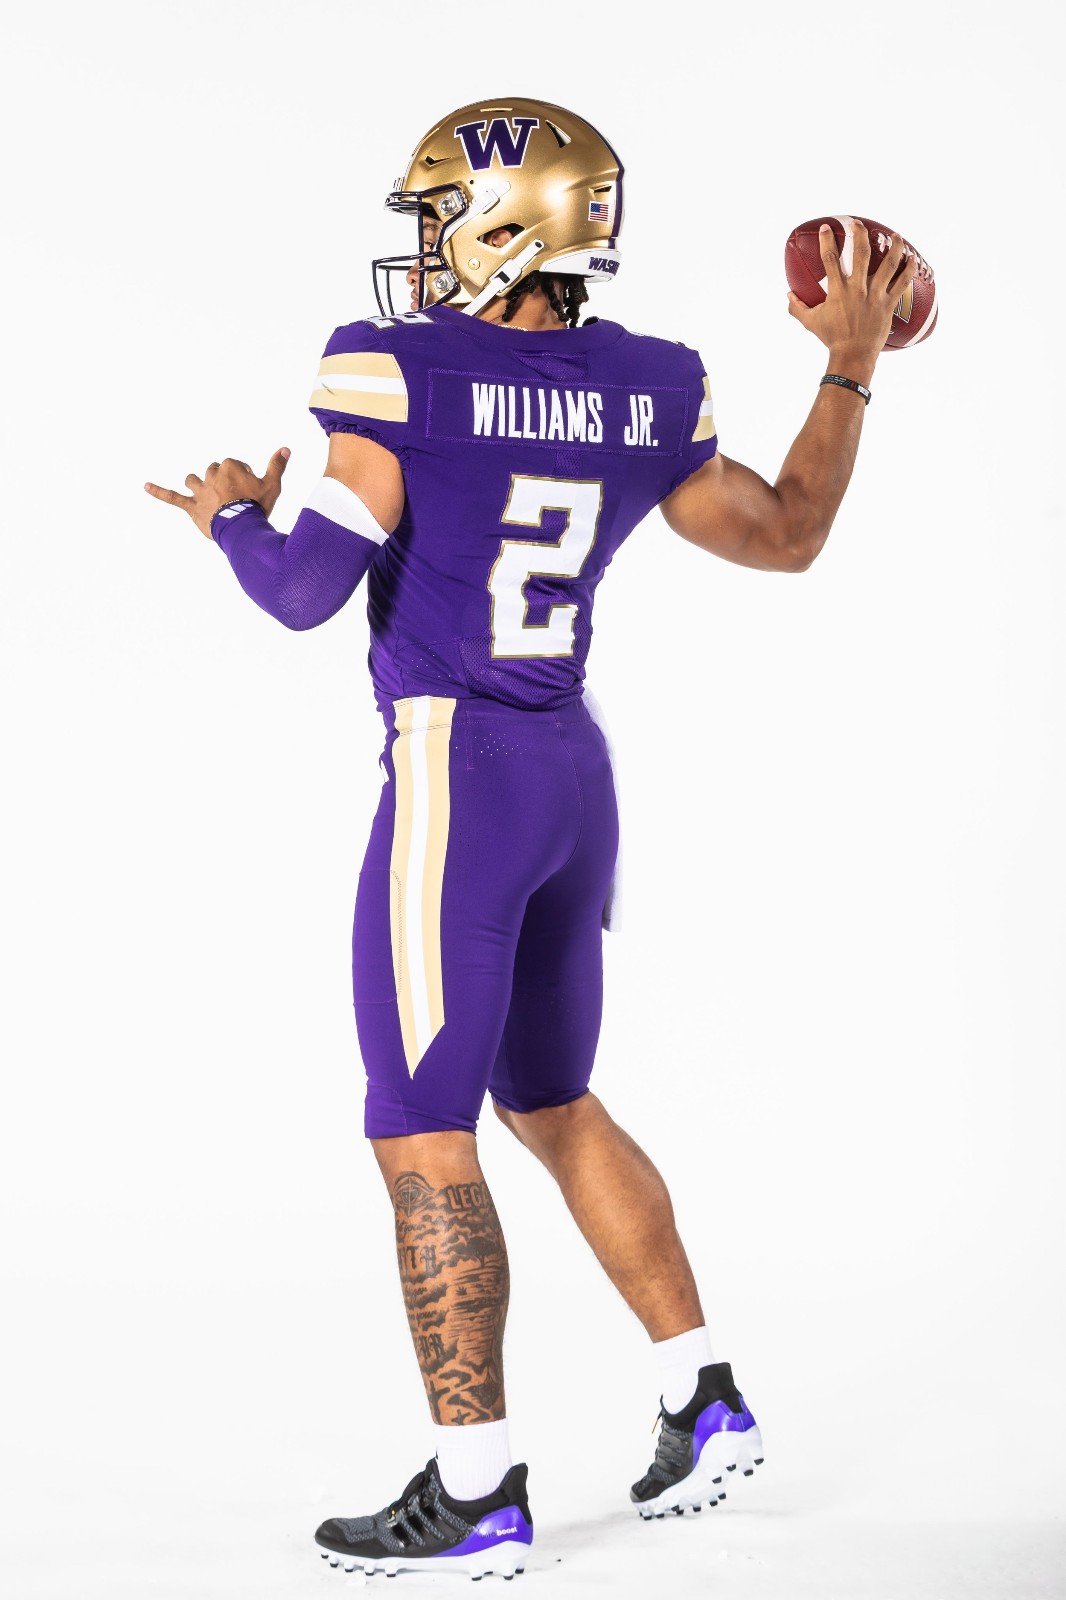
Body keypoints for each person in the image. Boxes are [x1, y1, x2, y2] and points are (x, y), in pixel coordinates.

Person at [146, 97, 915, 1582]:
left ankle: (475, 1491)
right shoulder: (651, 383)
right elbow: (787, 534)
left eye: (444, 214)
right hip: (571, 776)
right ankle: (703, 1398)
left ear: (506, 223)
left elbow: (303, 593)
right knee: (552, 1099)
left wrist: (234, 519)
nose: (427, 242)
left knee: (418, 1123)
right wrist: (849, 366)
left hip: (457, 776)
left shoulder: (401, 368)